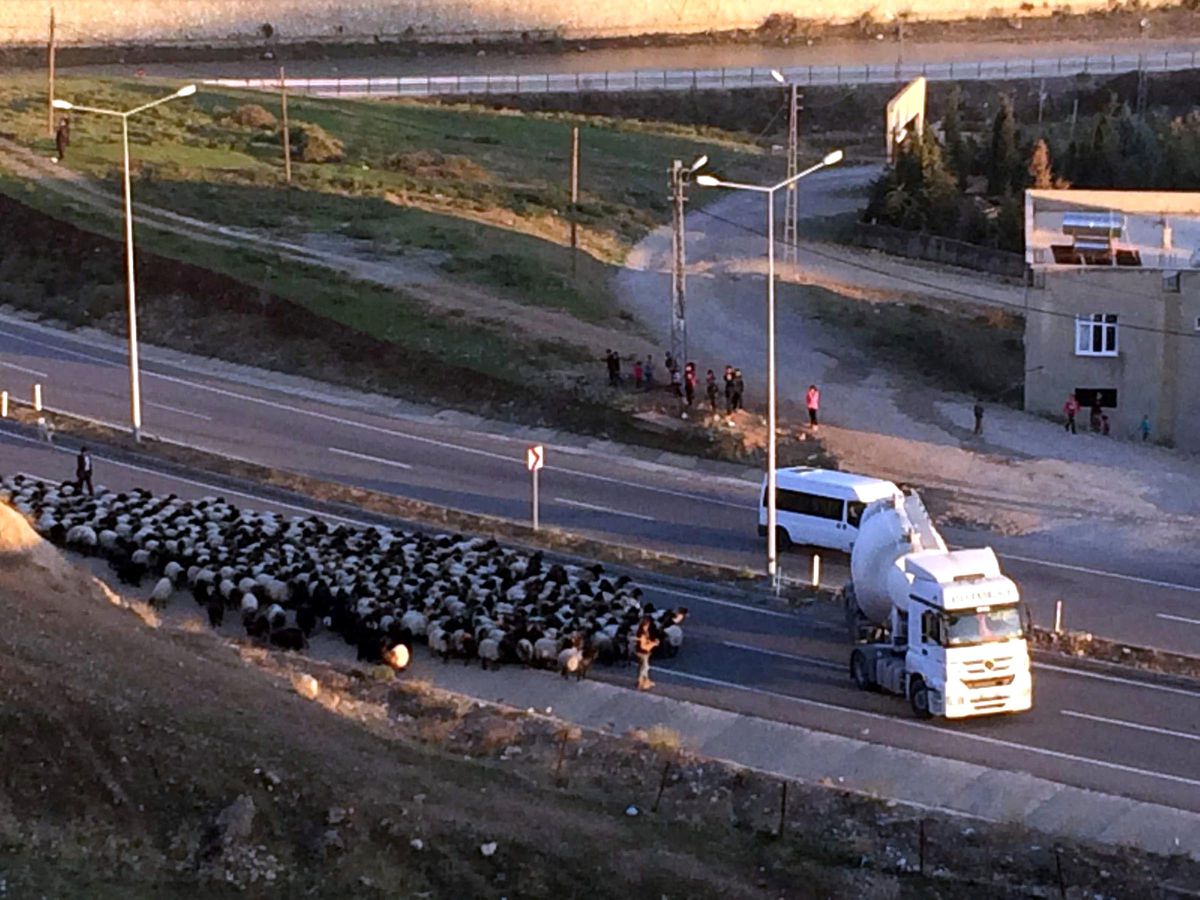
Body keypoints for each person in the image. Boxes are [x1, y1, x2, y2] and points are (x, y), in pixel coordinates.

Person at [635, 611, 660, 691]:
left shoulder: (645, 632)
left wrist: (651, 642)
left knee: (645, 667)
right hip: (642, 653)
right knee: (644, 668)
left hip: (644, 652)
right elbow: (643, 646)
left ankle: (645, 681)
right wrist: (653, 644)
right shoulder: (642, 634)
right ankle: (641, 683)